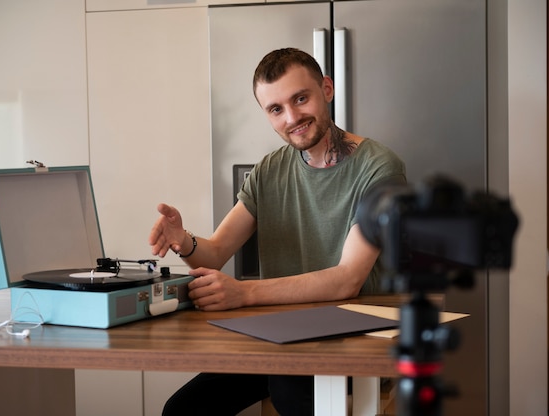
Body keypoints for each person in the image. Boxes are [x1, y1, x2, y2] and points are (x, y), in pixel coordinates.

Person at [149, 47, 405, 416]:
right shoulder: (270, 169)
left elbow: (347, 280)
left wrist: (243, 293)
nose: (292, 117)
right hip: (279, 336)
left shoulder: (380, 169)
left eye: (301, 99)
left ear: (327, 90)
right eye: (276, 109)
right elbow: (217, 251)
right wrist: (182, 239)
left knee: (288, 390)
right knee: (183, 409)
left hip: (353, 338)